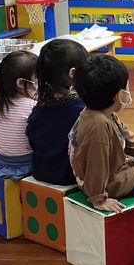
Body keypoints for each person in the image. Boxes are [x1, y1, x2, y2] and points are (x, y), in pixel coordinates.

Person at [69, 55, 134, 213]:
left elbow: (128, 137)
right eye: (127, 86)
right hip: (112, 184)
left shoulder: (100, 112)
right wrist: (98, 198)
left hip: (119, 170)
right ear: (119, 95)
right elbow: (96, 165)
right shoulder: (98, 126)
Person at [26, 38, 89, 186]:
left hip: (41, 173)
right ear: (72, 73)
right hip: (70, 178)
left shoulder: (38, 109)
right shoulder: (82, 109)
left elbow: (32, 142)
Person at [0, 50, 38, 181]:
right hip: (26, 163)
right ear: (21, 83)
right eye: (37, 81)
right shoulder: (32, 106)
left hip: (1, 160)